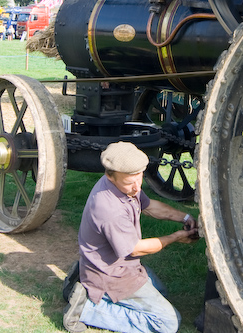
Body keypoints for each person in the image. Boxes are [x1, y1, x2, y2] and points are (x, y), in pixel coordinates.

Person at [63, 141, 198, 333]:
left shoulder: (126, 185)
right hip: (111, 274)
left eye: (139, 178)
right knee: (168, 323)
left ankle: (87, 288)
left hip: (123, 265)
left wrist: (185, 217)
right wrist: (176, 237)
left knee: (161, 293)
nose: (136, 187)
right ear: (109, 176)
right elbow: (135, 248)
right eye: (129, 182)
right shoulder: (109, 208)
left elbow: (149, 206)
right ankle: (87, 309)